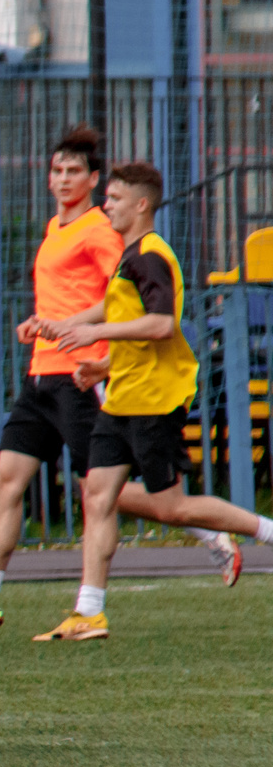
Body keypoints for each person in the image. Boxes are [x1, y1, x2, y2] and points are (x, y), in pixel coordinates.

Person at [0, 128, 227, 630]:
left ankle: (200, 526)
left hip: (81, 378)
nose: (63, 179)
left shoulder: (99, 230)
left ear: (93, 181)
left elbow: (121, 297)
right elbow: (68, 300)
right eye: (57, 170)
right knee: (8, 479)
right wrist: (43, 323)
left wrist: (90, 344)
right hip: (41, 376)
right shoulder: (54, 229)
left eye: (74, 172)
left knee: (101, 489)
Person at [28, 161, 273, 639]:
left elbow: (162, 326)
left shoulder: (151, 255)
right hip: (123, 398)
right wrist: (90, 351)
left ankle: (266, 532)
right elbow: (125, 316)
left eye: (115, 199)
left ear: (141, 204)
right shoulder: (131, 255)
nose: (106, 206)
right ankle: (89, 612)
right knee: (97, 493)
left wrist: (93, 332)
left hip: (155, 402)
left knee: (172, 508)